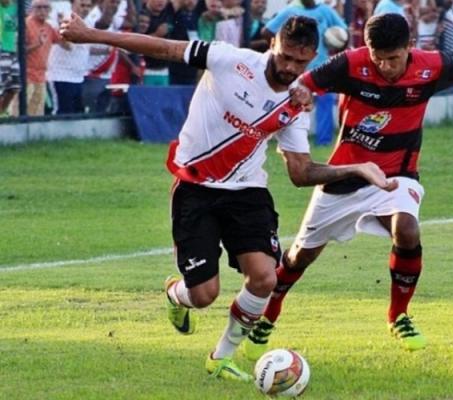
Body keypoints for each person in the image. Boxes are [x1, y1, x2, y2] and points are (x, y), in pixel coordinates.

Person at [59, 14, 396, 382]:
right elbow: (164, 48)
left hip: (247, 193)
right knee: (204, 295)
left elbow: (300, 173)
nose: (289, 67)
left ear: (312, 57)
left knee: (265, 278)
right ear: (272, 45)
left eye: (301, 62)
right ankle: (177, 295)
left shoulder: (296, 104)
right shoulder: (229, 59)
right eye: (285, 56)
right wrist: (90, 34)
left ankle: (221, 357)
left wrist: (356, 168)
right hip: (195, 188)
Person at [241, 13, 453, 360]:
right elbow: (304, 83)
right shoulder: (351, 63)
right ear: (368, 49)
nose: (386, 67)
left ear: (409, 47)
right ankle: (269, 315)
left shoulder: (432, 66)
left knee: (406, 228)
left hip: (396, 174)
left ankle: (398, 316)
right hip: (345, 174)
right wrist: (302, 93)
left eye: (393, 58)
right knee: (301, 256)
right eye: (378, 58)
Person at [263, 0, 348, 146]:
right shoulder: (290, 11)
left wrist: (337, 46)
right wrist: (280, 49)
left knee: (325, 102)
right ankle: (283, 139)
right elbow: (267, 31)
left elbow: (344, 32)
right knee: (292, 102)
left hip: (323, 67)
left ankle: (323, 141)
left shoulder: (325, 11)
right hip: (296, 69)